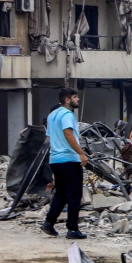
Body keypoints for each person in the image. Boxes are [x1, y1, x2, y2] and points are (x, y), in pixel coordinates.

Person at [42, 88, 88, 240]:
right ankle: (72, 229)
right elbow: (68, 134)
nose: (78, 99)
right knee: (75, 194)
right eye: (75, 97)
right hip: (69, 159)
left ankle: (49, 222)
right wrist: (81, 153)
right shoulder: (68, 115)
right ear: (67, 100)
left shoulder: (52, 115)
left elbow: (49, 137)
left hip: (55, 160)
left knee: (61, 193)